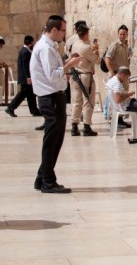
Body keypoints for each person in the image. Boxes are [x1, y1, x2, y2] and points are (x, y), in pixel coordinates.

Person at [30, 15, 82, 194]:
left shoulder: (49, 46)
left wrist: (68, 63)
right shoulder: (45, 48)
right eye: (62, 31)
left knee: (56, 139)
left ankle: (41, 177)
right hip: (49, 97)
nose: (63, 35)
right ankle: (48, 181)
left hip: (53, 96)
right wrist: (70, 65)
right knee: (52, 141)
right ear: (54, 30)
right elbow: (52, 75)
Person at [69, 23, 100, 136]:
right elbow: (97, 60)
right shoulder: (86, 48)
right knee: (88, 101)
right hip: (85, 75)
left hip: (75, 76)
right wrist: (96, 50)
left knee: (77, 101)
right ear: (86, 34)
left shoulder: (74, 45)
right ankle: (86, 126)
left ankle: (74, 126)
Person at [5, 36, 42, 117]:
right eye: (33, 42)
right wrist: (28, 77)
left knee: (30, 93)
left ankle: (34, 110)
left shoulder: (24, 50)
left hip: (25, 77)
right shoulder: (25, 52)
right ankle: (10, 108)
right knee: (23, 94)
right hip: (26, 78)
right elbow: (25, 66)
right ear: (31, 42)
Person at [104, 24, 131, 125]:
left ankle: (120, 119)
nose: (122, 36)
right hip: (116, 75)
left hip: (123, 76)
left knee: (123, 97)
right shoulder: (114, 45)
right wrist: (111, 71)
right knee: (114, 98)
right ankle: (112, 118)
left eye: (124, 34)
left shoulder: (126, 46)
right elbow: (107, 58)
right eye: (120, 34)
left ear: (127, 35)